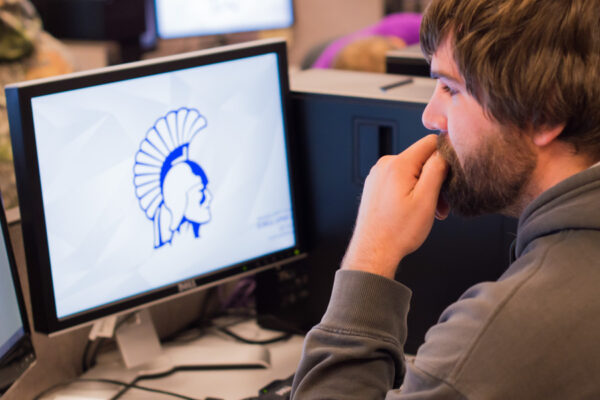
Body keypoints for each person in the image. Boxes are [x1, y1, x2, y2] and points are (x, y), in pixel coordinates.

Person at [290, 0, 600, 398]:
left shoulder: (500, 335)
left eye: (451, 88)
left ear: (545, 113)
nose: (431, 116)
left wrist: (372, 253)